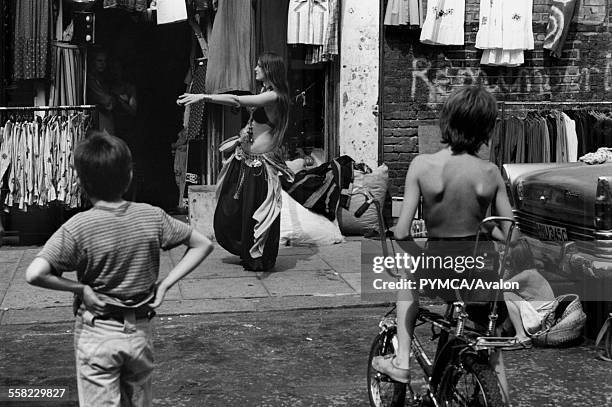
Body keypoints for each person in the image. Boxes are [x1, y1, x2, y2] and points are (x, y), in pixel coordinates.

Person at [25, 132, 214, 406]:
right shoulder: (152, 215)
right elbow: (202, 244)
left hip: (97, 332)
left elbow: (35, 273)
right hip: (139, 332)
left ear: (80, 182)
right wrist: (165, 284)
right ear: (128, 176)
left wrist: (80, 288)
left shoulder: (78, 226)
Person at [371, 86, 516, 403]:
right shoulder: (490, 173)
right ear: (486, 129)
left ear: (446, 121)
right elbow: (507, 233)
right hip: (481, 269)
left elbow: (401, 233)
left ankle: (403, 360)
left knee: (409, 280)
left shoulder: (422, 166)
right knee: (491, 350)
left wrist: (421, 256)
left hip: (439, 263)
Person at [177, 52, 293, 271]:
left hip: (261, 167)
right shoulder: (265, 91)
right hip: (245, 160)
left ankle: (258, 257)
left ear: (269, 70)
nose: (255, 69)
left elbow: (237, 100)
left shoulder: (274, 96)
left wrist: (203, 97)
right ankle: (245, 250)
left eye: (259, 66)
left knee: (255, 212)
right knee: (234, 210)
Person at [502, 239, 556, 350]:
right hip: (544, 318)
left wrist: (502, 265)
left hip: (539, 320)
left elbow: (499, 287)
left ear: (515, 260)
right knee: (513, 295)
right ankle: (511, 331)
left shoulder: (525, 275)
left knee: (507, 295)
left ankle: (522, 336)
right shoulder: (531, 271)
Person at [87, 49, 115, 134]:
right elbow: (107, 101)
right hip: (97, 119)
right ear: (93, 62)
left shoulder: (103, 79)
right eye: (99, 61)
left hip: (105, 119)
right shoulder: (89, 79)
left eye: (104, 61)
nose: (103, 64)